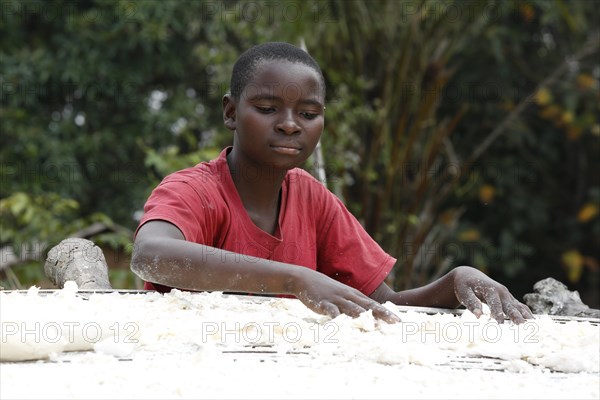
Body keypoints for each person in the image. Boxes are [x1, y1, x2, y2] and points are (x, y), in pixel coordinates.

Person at [131, 42, 533, 325]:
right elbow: (151, 255)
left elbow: (382, 306)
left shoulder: (312, 199)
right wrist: (293, 278)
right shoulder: (197, 191)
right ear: (231, 112)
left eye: (308, 113)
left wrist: (453, 282)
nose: (289, 124)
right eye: (268, 109)